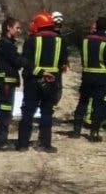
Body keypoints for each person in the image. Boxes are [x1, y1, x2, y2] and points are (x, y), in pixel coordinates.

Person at [16, 11, 69, 152]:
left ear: (39, 24)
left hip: (33, 81)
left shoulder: (31, 40)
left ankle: (22, 144)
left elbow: (26, 62)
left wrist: (38, 72)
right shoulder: (60, 40)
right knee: (47, 112)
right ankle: (45, 144)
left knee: (28, 112)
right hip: (52, 81)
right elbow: (63, 62)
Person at [72, 16, 106, 141]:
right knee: (98, 105)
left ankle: (76, 130)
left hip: (87, 75)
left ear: (96, 26)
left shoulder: (85, 40)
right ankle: (94, 133)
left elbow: (83, 57)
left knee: (82, 102)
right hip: (102, 77)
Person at [0, 16, 23, 151]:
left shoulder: (6, 43)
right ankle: (0, 142)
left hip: (6, 83)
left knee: (6, 111)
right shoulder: (5, 44)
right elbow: (17, 61)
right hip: (5, 83)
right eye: (17, 28)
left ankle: (1, 140)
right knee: (5, 112)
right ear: (8, 28)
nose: (19, 31)